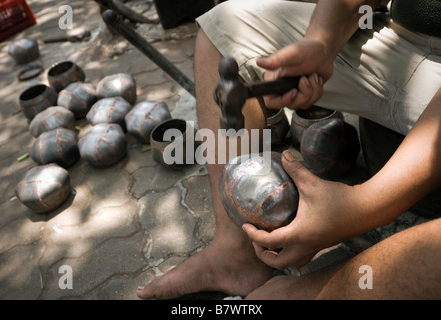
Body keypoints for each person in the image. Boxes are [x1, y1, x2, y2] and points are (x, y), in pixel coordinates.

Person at [137, 0, 441, 299]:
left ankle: (310, 293)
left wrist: (361, 206)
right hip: (405, 40)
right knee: (224, 29)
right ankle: (234, 255)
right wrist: (321, 42)